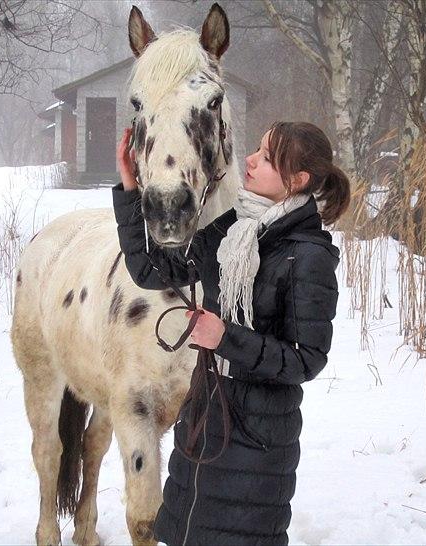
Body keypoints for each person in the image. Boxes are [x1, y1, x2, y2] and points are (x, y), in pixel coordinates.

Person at [113, 121, 350, 546]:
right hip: (206, 415)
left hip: (257, 436)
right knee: (188, 534)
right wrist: (131, 189)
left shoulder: (308, 255)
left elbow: (305, 359)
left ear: (297, 181)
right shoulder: (233, 229)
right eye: (257, 149)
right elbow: (153, 269)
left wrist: (225, 338)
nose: (251, 160)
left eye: (266, 157)